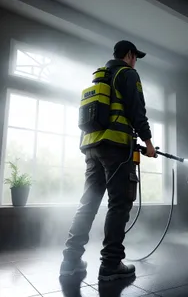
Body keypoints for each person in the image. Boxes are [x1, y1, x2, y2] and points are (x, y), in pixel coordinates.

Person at [59, 40, 156, 281]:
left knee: (88, 204)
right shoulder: (127, 74)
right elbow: (137, 110)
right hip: (115, 149)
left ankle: (70, 261)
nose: (135, 62)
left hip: (92, 148)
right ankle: (111, 264)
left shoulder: (100, 78)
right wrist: (149, 142)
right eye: (135, 57)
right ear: (130, 55)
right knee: (119, 204)